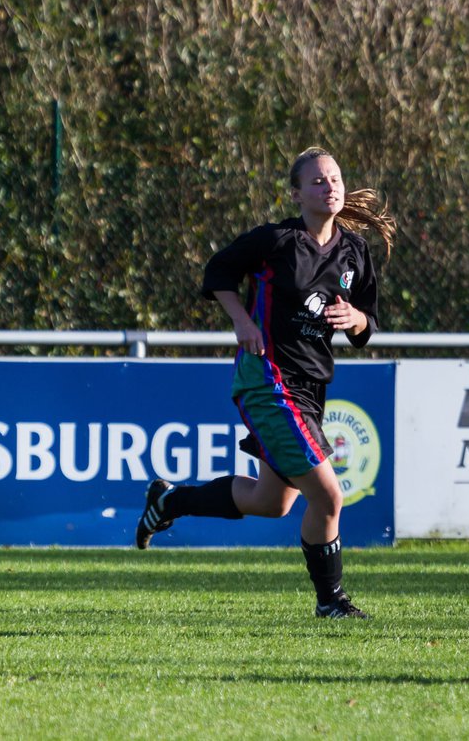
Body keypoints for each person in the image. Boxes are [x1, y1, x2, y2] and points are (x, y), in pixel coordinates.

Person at [135, 147, 396, 620]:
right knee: (329, 496)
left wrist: (355, 317)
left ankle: (170, 500)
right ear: (296, 193)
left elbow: (367, 324)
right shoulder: (275, 241)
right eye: (317, 182)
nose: (329, 187)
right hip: (268, 377)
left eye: (334, 178)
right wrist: (240, 320)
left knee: (271, 502)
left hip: (312, 388)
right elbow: (218, 271)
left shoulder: (355, 250)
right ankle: (331, 601)